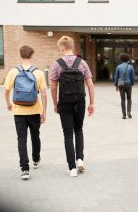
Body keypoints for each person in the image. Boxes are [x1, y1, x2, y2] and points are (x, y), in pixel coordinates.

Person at [50, 36, 95, 177]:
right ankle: (80, 159)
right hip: (80, 101)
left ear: (62, 48)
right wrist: (92, 103)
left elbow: (53, 86)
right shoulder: (82, 63)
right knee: (79, 129)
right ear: (72, 47)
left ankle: (72, 168)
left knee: (68, 134)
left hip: (64, 102)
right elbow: (90, 84)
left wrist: (54, 103)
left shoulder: (57, 64)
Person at [4, 45, 47, 180]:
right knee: (35, 136)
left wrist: (9, 104)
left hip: (18, 111)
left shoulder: (13, 72)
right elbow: (44, 95)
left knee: (21, 139)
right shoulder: (38, 73)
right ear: (32, 56)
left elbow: (6, 91)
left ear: (20, 55)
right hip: (35, 110)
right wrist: (44, 112)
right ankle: (36, 159)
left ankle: (24, 169)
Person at [114, 53, 135, 119]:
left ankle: (124, 114)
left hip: (121, 83)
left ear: (121, 59)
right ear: (128, 59)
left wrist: (116, 85)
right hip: (128, 84)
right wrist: (132, 83)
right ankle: (129, 112)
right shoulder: (131, 67)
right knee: (129, 98)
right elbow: (132, 77)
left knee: (122, 99)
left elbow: (116, 76)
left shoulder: (118, 67)